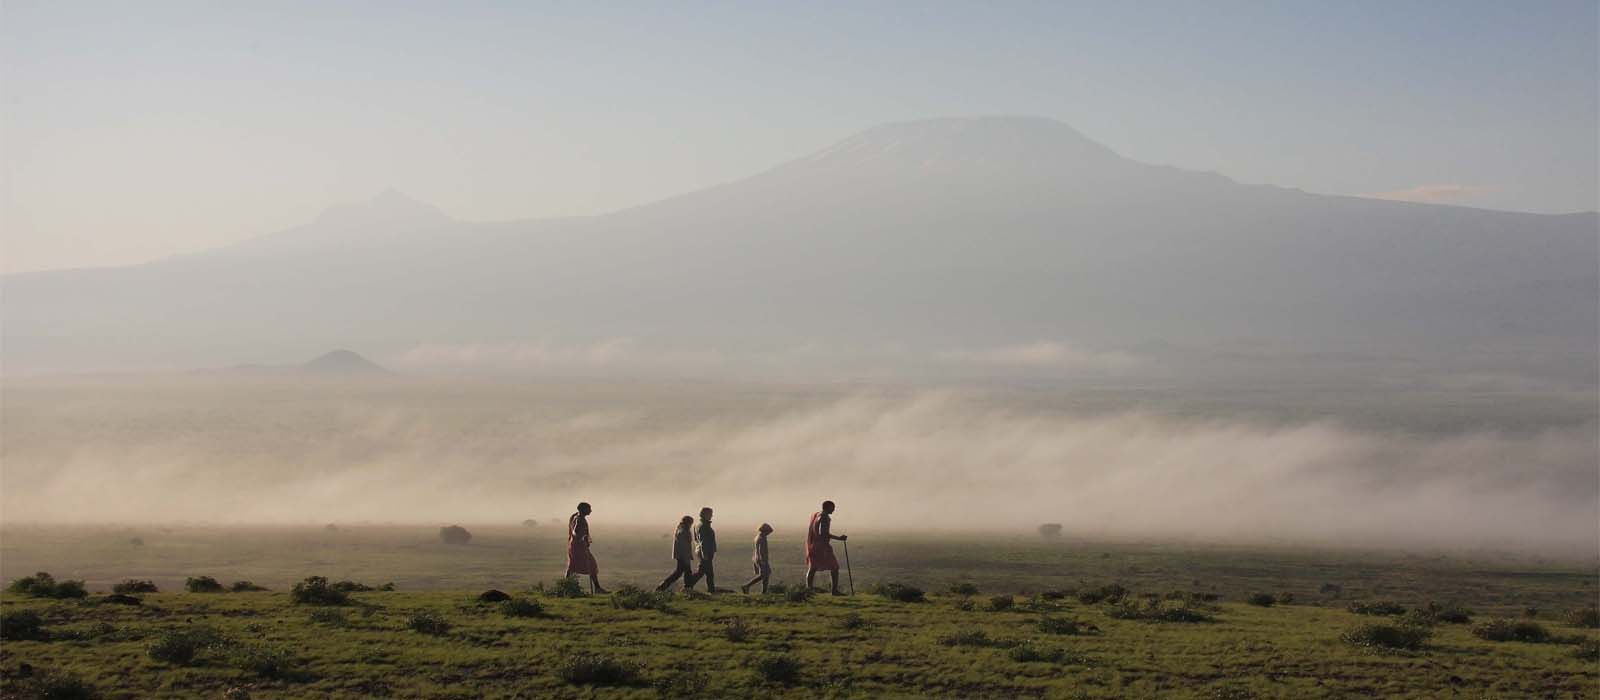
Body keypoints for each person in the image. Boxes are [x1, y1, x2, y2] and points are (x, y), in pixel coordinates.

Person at [805, 500, 847, 595]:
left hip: (815, 545)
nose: (834, 510)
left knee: (813, 568)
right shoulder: (824, 517)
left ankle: (808, 589)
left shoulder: (817, 515)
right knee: (834, 567)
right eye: (833, 508)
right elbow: (823, 533)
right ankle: (834, 591)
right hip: (822, 546)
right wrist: (839, 538)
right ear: (828, 507)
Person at [565, 502, 606, 594]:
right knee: (590, 564)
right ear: (583, 509)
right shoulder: (579, 519)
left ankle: (566, 586)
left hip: (577, 545)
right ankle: (597, 588)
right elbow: (575, 531)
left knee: (574, 565)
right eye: (589, 509)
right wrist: (581, 537)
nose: (590, 510)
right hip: (578, 545)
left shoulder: (578, 517)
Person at [655, 516, 695, 592]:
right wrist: (686, 557)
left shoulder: (680, 529)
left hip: (681, 555)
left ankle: (687, 588)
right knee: (680, 573)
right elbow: (685, 546)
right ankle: (662, 587)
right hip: (683, 556)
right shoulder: (683, 531)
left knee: (684, 572)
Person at [685, 506, 718, 592]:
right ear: (706, 514)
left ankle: (710, 589)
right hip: (705, 551)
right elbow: (703, 541)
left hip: (701, 550)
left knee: (705, 572)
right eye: (710, 514)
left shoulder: (698, 525)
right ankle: (689, 585)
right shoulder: (704, 526)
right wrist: (705, 553)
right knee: (705, 572)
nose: (712, 515)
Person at [741, 523, 774, 594]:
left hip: (757, 558)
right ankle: (747, 586)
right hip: (762, 559)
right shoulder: (762, 538)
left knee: (766, 574)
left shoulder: (757, 537)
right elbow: (761, 550)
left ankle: (764, 591)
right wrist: (763, 560)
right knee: (763, 575)